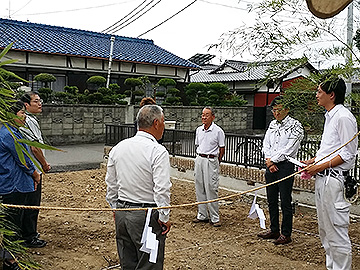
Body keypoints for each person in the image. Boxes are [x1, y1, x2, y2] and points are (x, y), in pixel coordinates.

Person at [105, 104, 171, 270]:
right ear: (156, 123)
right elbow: (162, 188)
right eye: (163, 122)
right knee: (149, 263)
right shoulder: (157, 151)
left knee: (128, 262)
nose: (164, 126)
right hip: (145, 216)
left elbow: (111, 184)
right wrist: (164, 216)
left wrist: (115, 208)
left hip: (122, 212)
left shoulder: (118, 147)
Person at [304, 77, 357, 269]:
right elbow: (331, 150)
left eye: (319, 91)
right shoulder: (330, 116)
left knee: (336, 230)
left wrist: (319, 167)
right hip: (323, 179)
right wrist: (312, 162)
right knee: (325, 230)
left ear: (331, 95)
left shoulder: (343, 117)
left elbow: (348, 154)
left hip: (334, 181)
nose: (316, 95)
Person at [0, 101, 41, 270]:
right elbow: (22, 161)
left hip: (12, 183)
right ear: (11, 116)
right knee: (13, 224)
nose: (24, 117)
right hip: (13, 185)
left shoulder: (10, 132)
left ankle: (11, 256)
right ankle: (10, 261)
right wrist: (35, 174)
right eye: (22, 114)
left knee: (15, 222)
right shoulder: (9, 135)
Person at [258, 96, 304, 245]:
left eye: (279, 110)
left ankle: (286, 233)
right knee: (271, 199)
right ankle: (274, 228)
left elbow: (290, 148)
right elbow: (266, 144)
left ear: (287, 109)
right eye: (274, 110)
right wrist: (269, 161)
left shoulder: (295, 126)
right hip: (270, 165)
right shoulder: (272, 125)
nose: (276, 113)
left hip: (285, 165)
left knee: (285, 200)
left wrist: (274, 160)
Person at [19, 91, 49, 248]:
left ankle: (28, 233)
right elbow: (34, 146)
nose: (40, 103)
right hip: (33, 168)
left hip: (31, 167)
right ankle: (29, 236)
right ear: (26, 105)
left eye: (40, 100)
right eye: (36, 101)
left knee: (30, 201)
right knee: (32, 202)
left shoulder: (30, 120)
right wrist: (44, 164)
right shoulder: (27, 120)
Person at [193, 107, 225, 227]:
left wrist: (217, 161)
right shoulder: (199, 130)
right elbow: (198, 144)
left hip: (211, 159)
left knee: (211, 187)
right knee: (199, 186)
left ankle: (214, 217)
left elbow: (222, 148)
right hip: (200, 158)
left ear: (213, 117)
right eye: (202, 115)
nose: (204, 117)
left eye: (207, 115)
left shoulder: (218, 131)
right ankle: (202, 215)